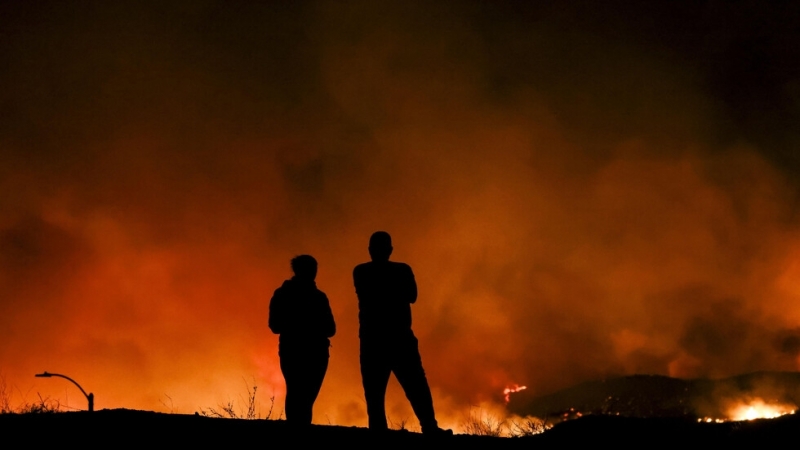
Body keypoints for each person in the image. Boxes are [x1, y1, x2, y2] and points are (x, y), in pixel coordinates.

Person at [353, 231, 451, 436]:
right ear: (390, 250)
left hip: (373, 340)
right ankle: (429, 428)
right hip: (399, 338)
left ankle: (379, 431)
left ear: (370, 250)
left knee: (374, 391)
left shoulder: (361, 271)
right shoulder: (402, 270)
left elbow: (369, 295)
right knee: (416, 386)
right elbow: (412, 296)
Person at [269, 254, 335, 426]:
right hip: (315, 353)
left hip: (292, 350)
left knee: (297, 394)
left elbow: (275, 325)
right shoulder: (319, 297)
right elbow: (331, 329)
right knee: (305, 397)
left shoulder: (282, 294)